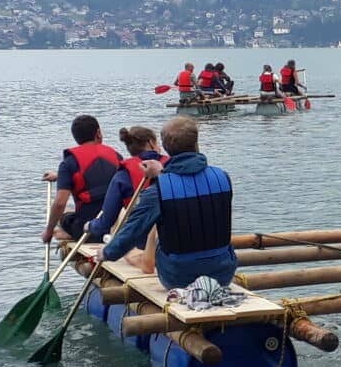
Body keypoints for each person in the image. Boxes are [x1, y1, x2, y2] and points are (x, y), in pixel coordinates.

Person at [95, 116, 237, 290]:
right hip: (223, 273)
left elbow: (131, 232)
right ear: (196, 142)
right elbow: (192, 187)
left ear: (166, 147)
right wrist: (164, 173)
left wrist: (106, 253)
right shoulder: (223, 177)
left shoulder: (157, 190)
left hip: (178, 277)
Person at [41, 114, 119, 245]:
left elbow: (60, 203)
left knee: (64, 212)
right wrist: (61, 176)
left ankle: (67, 233)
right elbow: (99, 174)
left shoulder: (69, 164)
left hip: (88, 230)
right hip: (117, 225)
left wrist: (48, 231)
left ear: (76, 138)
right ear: (98, 133)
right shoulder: (116, 156)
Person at [99, 125, 165, 223]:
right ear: (151, 142)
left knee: (122, 214)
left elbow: (107, 219)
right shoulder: (171, 164)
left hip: (139, 228)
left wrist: (90, 226)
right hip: (170, 226)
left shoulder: (122, 175)